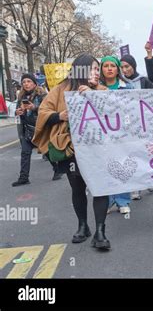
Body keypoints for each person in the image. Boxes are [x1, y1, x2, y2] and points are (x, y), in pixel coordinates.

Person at [32, 54, 111, 250]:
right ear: (81, 69)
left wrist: (92, 97)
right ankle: (83, 226)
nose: (96, 73)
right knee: (77, 188)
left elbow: (115, 113)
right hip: (70, 148)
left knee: (100, 187)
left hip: (97, 149)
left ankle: (100, 231)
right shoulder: (60, 89)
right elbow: (42, 112)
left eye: (97, 69)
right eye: (93, 69)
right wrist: (59, 115)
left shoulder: (102, 90)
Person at [12, 73, 61, 186]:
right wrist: (18, 112)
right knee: (25, 152)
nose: (26, 84)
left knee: (46, 151)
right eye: (24, 82)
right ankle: (24, 178)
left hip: (40, 128)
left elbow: (49, 111)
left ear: (34, 83)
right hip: (27, 130)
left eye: (29, 81)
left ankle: (57, 169)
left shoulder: (42, 94)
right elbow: (17, 111)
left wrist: (34, 108)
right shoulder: (21, 96)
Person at [100, 56, 133, 215]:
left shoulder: (127, 87)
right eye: (105, 65)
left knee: (121, 167)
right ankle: (107, 201)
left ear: (118, 69)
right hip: (102, 135)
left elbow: (134, 110)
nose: (109, 68)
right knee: (105, 167)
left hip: (122, 134)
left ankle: (122, 201)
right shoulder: (94, 88)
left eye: (113, 65)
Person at [120, 53, 153, 200]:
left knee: (144, 154)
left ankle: (147, 179)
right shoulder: (119, 84)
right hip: (127, 126)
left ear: (133, 66)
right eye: (121, 67)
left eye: (127, 66)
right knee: (132, 156)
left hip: (143, 124)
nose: (124, 70)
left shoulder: (144, 81)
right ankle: (136, 187)